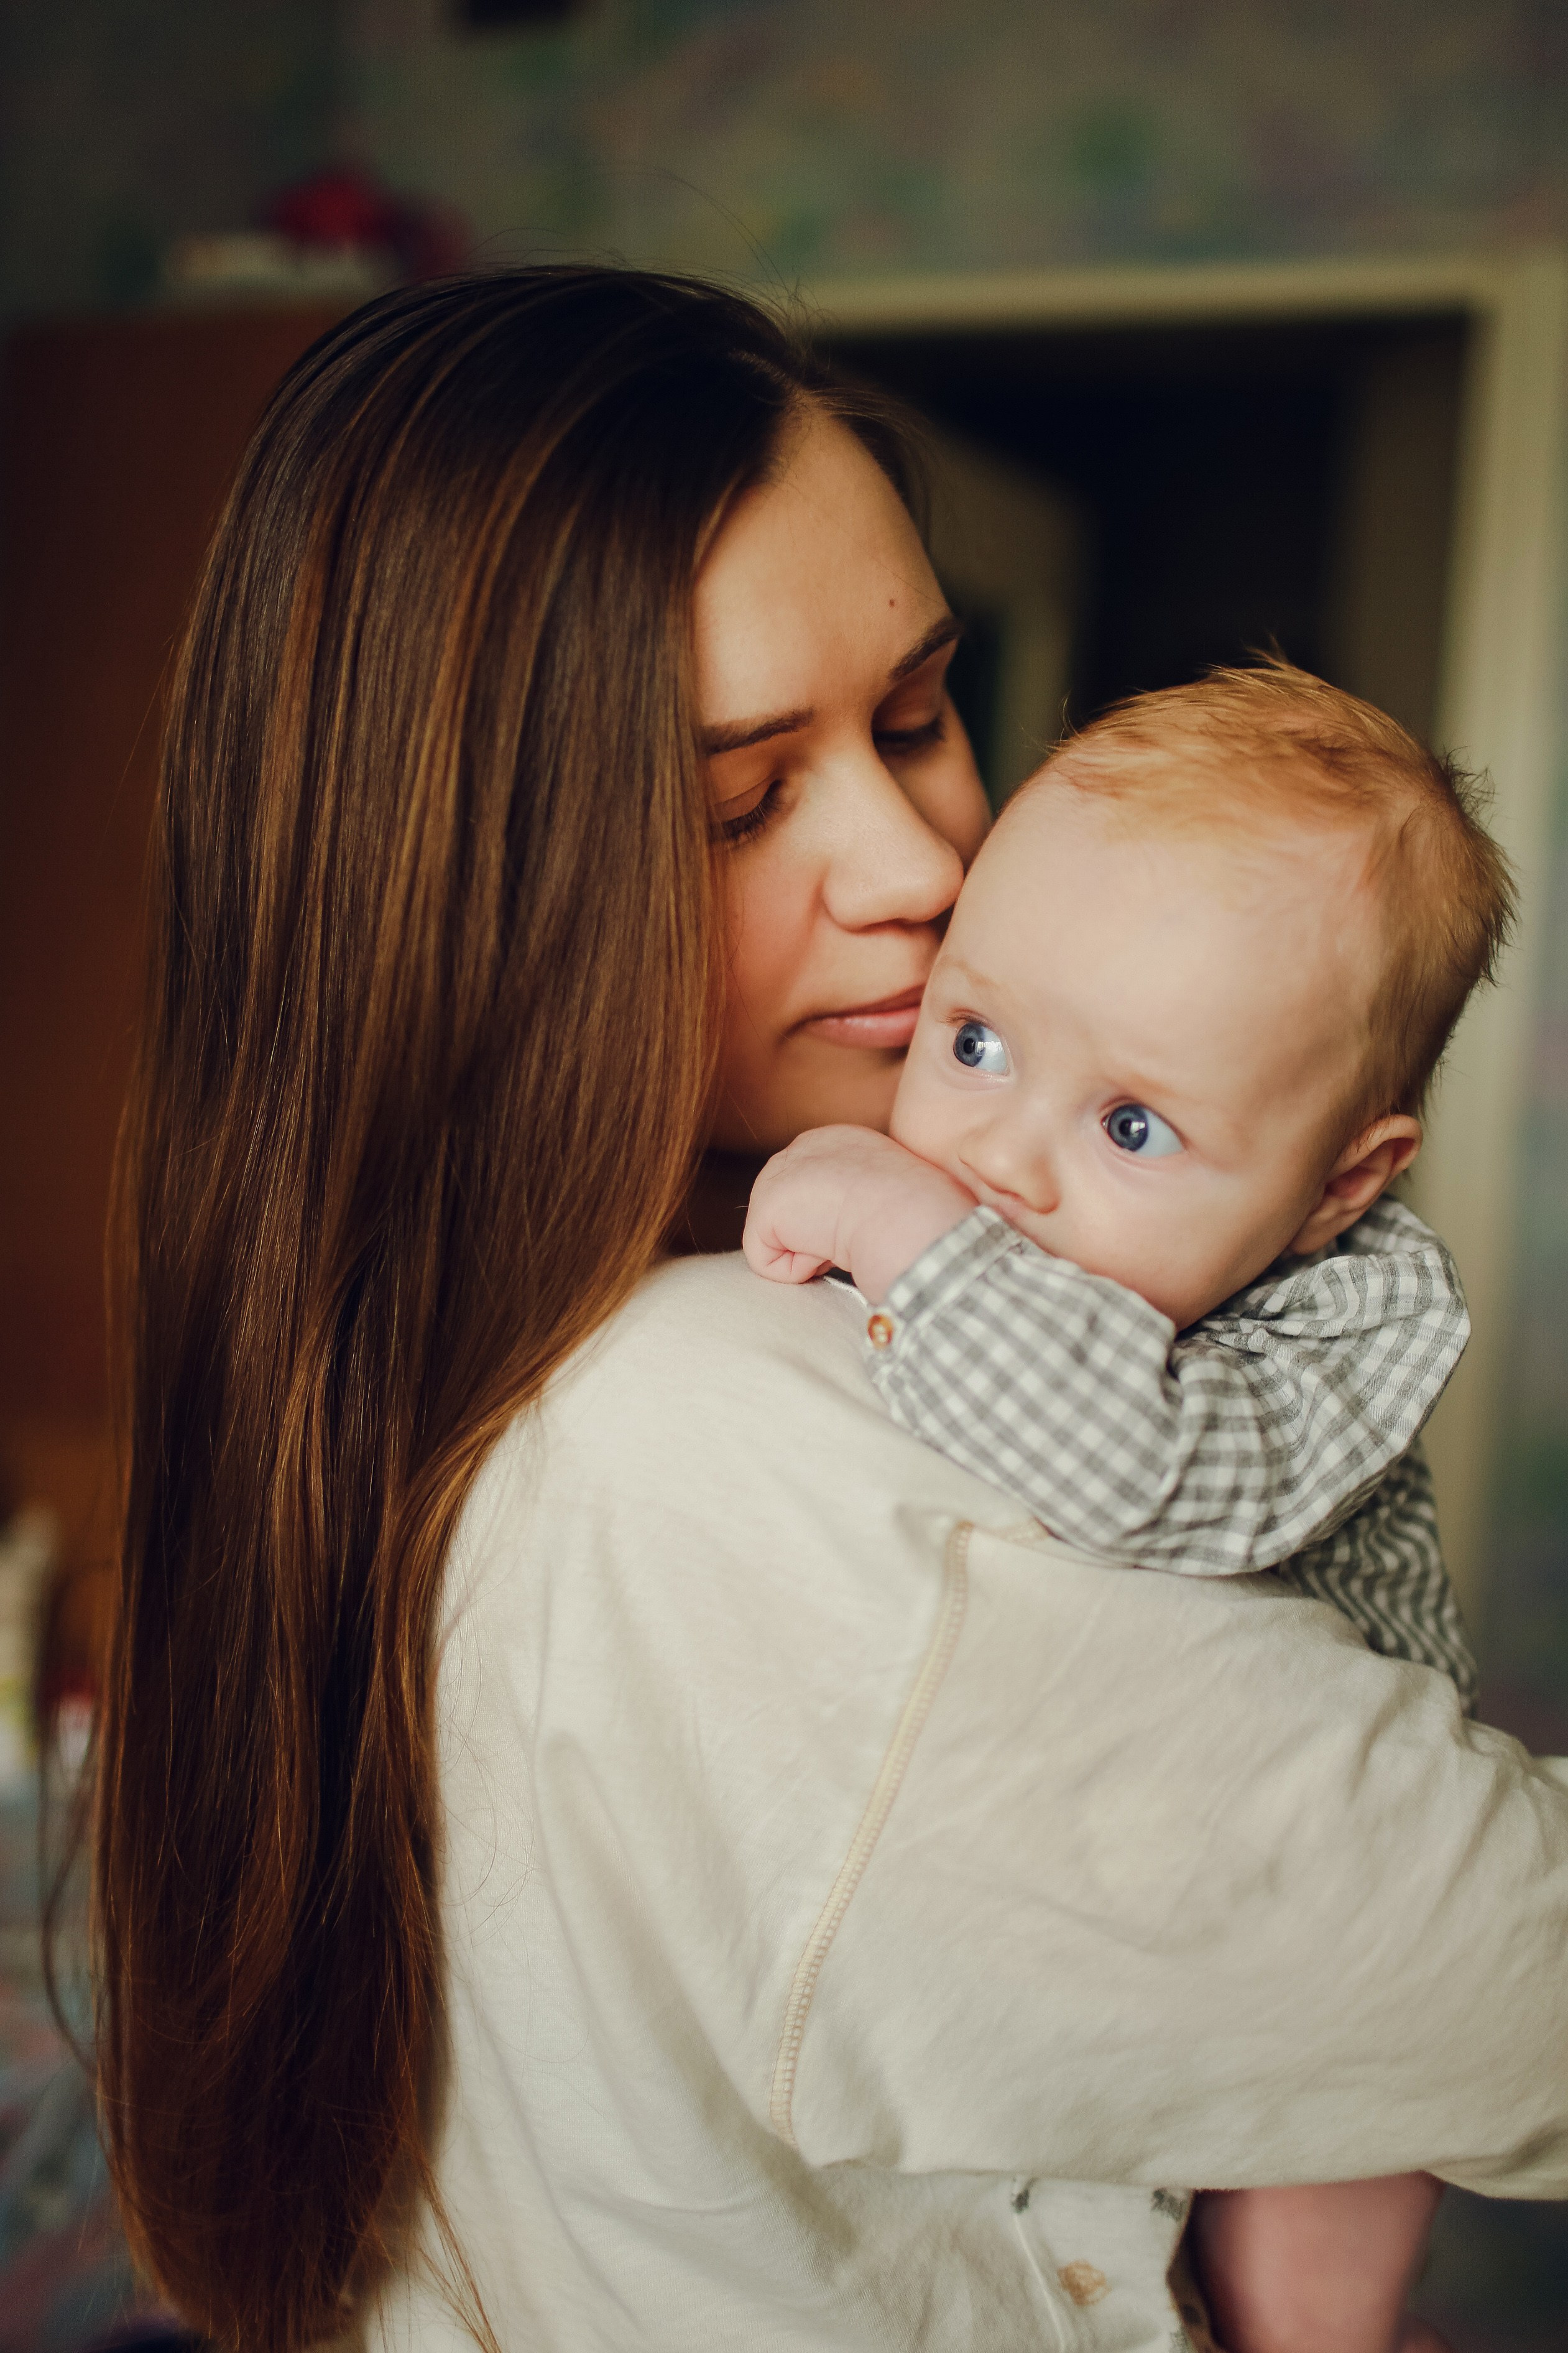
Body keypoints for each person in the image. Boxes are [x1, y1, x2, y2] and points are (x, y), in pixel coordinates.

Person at [96, 267, 1568, 2353]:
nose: (918, 856)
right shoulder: (734, 1438)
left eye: (915, 714)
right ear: (470, 903)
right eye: (743, 797)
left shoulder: (458, 1372)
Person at [743, 660, 1518, 2350]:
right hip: (1084, 1875)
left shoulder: (1353, 1315)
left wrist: (902, 1232)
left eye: (1131, 1123)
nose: (1001, 1159)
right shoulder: (996, 1226)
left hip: (1313, 1890)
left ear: (1340, 1182)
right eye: (973, 1038)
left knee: (1324, 2220)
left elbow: (1138, 1473)